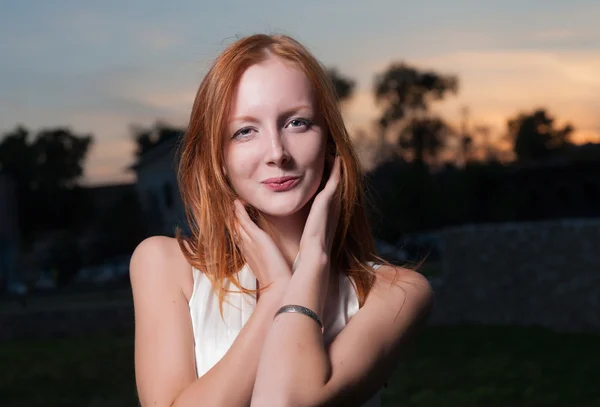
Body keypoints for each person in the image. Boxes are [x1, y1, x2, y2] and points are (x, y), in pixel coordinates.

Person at [130, 34, 434, 407]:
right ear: (218, 158)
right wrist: (274, 292)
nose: (277, 153)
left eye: (297, 123)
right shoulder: (166, 266)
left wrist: (312, 262)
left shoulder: (396, 292)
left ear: (330, 142)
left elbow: (289, 401)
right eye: (245, 131)